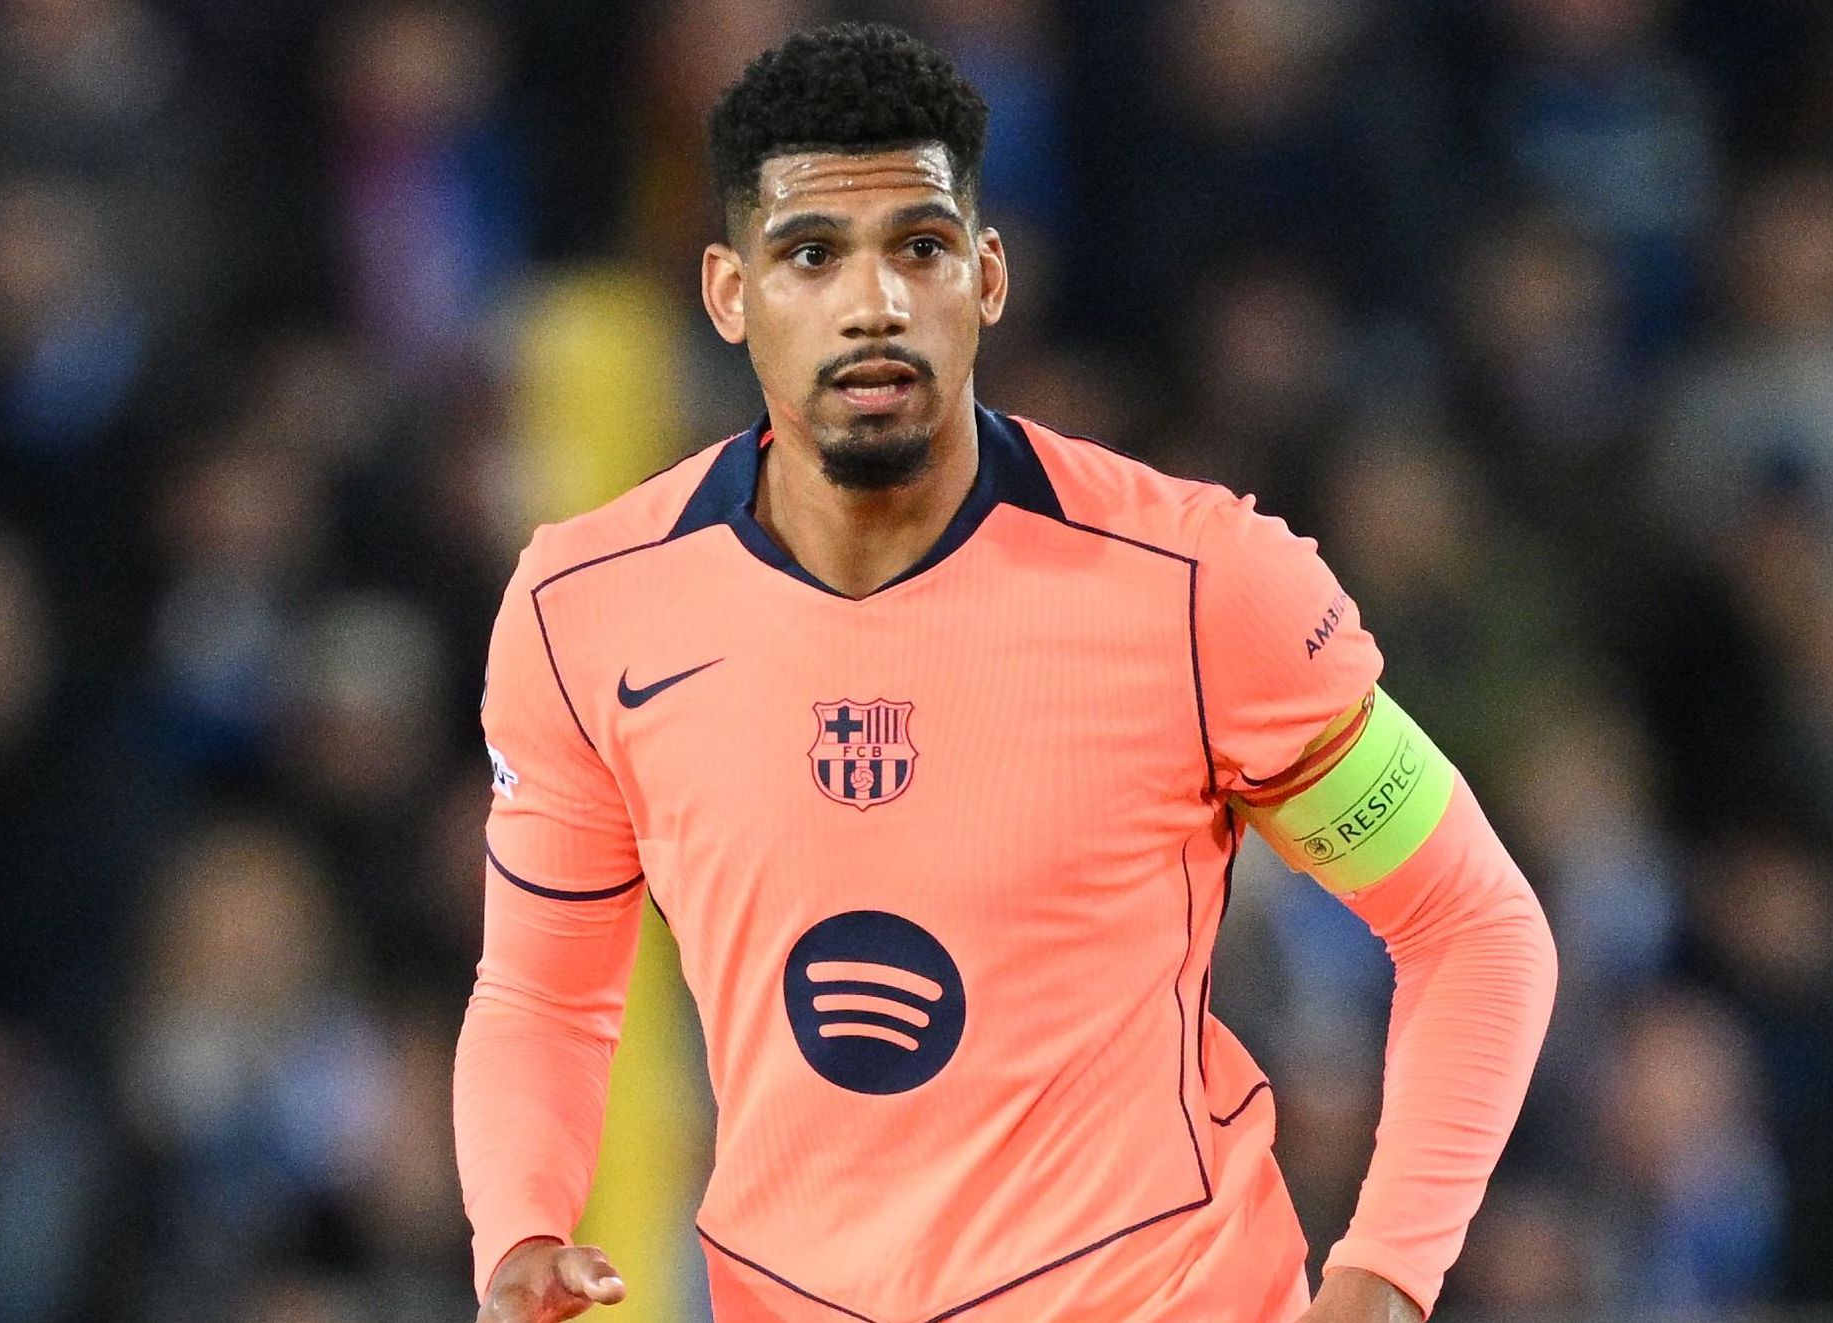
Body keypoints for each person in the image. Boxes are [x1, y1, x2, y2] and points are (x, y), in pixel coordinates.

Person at [454, 23, 1556, 1323]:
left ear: (985, 276)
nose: (873, 303)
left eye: (918, 247)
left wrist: (1387, 1277)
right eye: (813, 254)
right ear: (729, 292)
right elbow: (542, 992)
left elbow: (1472, 923)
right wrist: (520, 1226)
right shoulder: (587, 610)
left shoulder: (1197, 584)